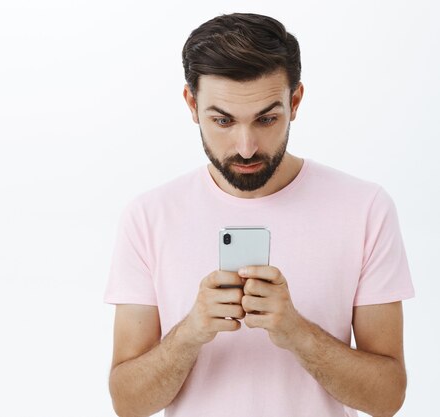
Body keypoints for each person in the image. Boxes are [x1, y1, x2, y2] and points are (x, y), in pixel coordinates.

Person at [103, 12, 415, 417]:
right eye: (223, 120)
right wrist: (191, 332)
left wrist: (296, 333)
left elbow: (388, 398)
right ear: (192, 105)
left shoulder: (365, 208)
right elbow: (127, 403)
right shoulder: (148, 216)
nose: (246, 146)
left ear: (295, 101)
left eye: (267, 118)